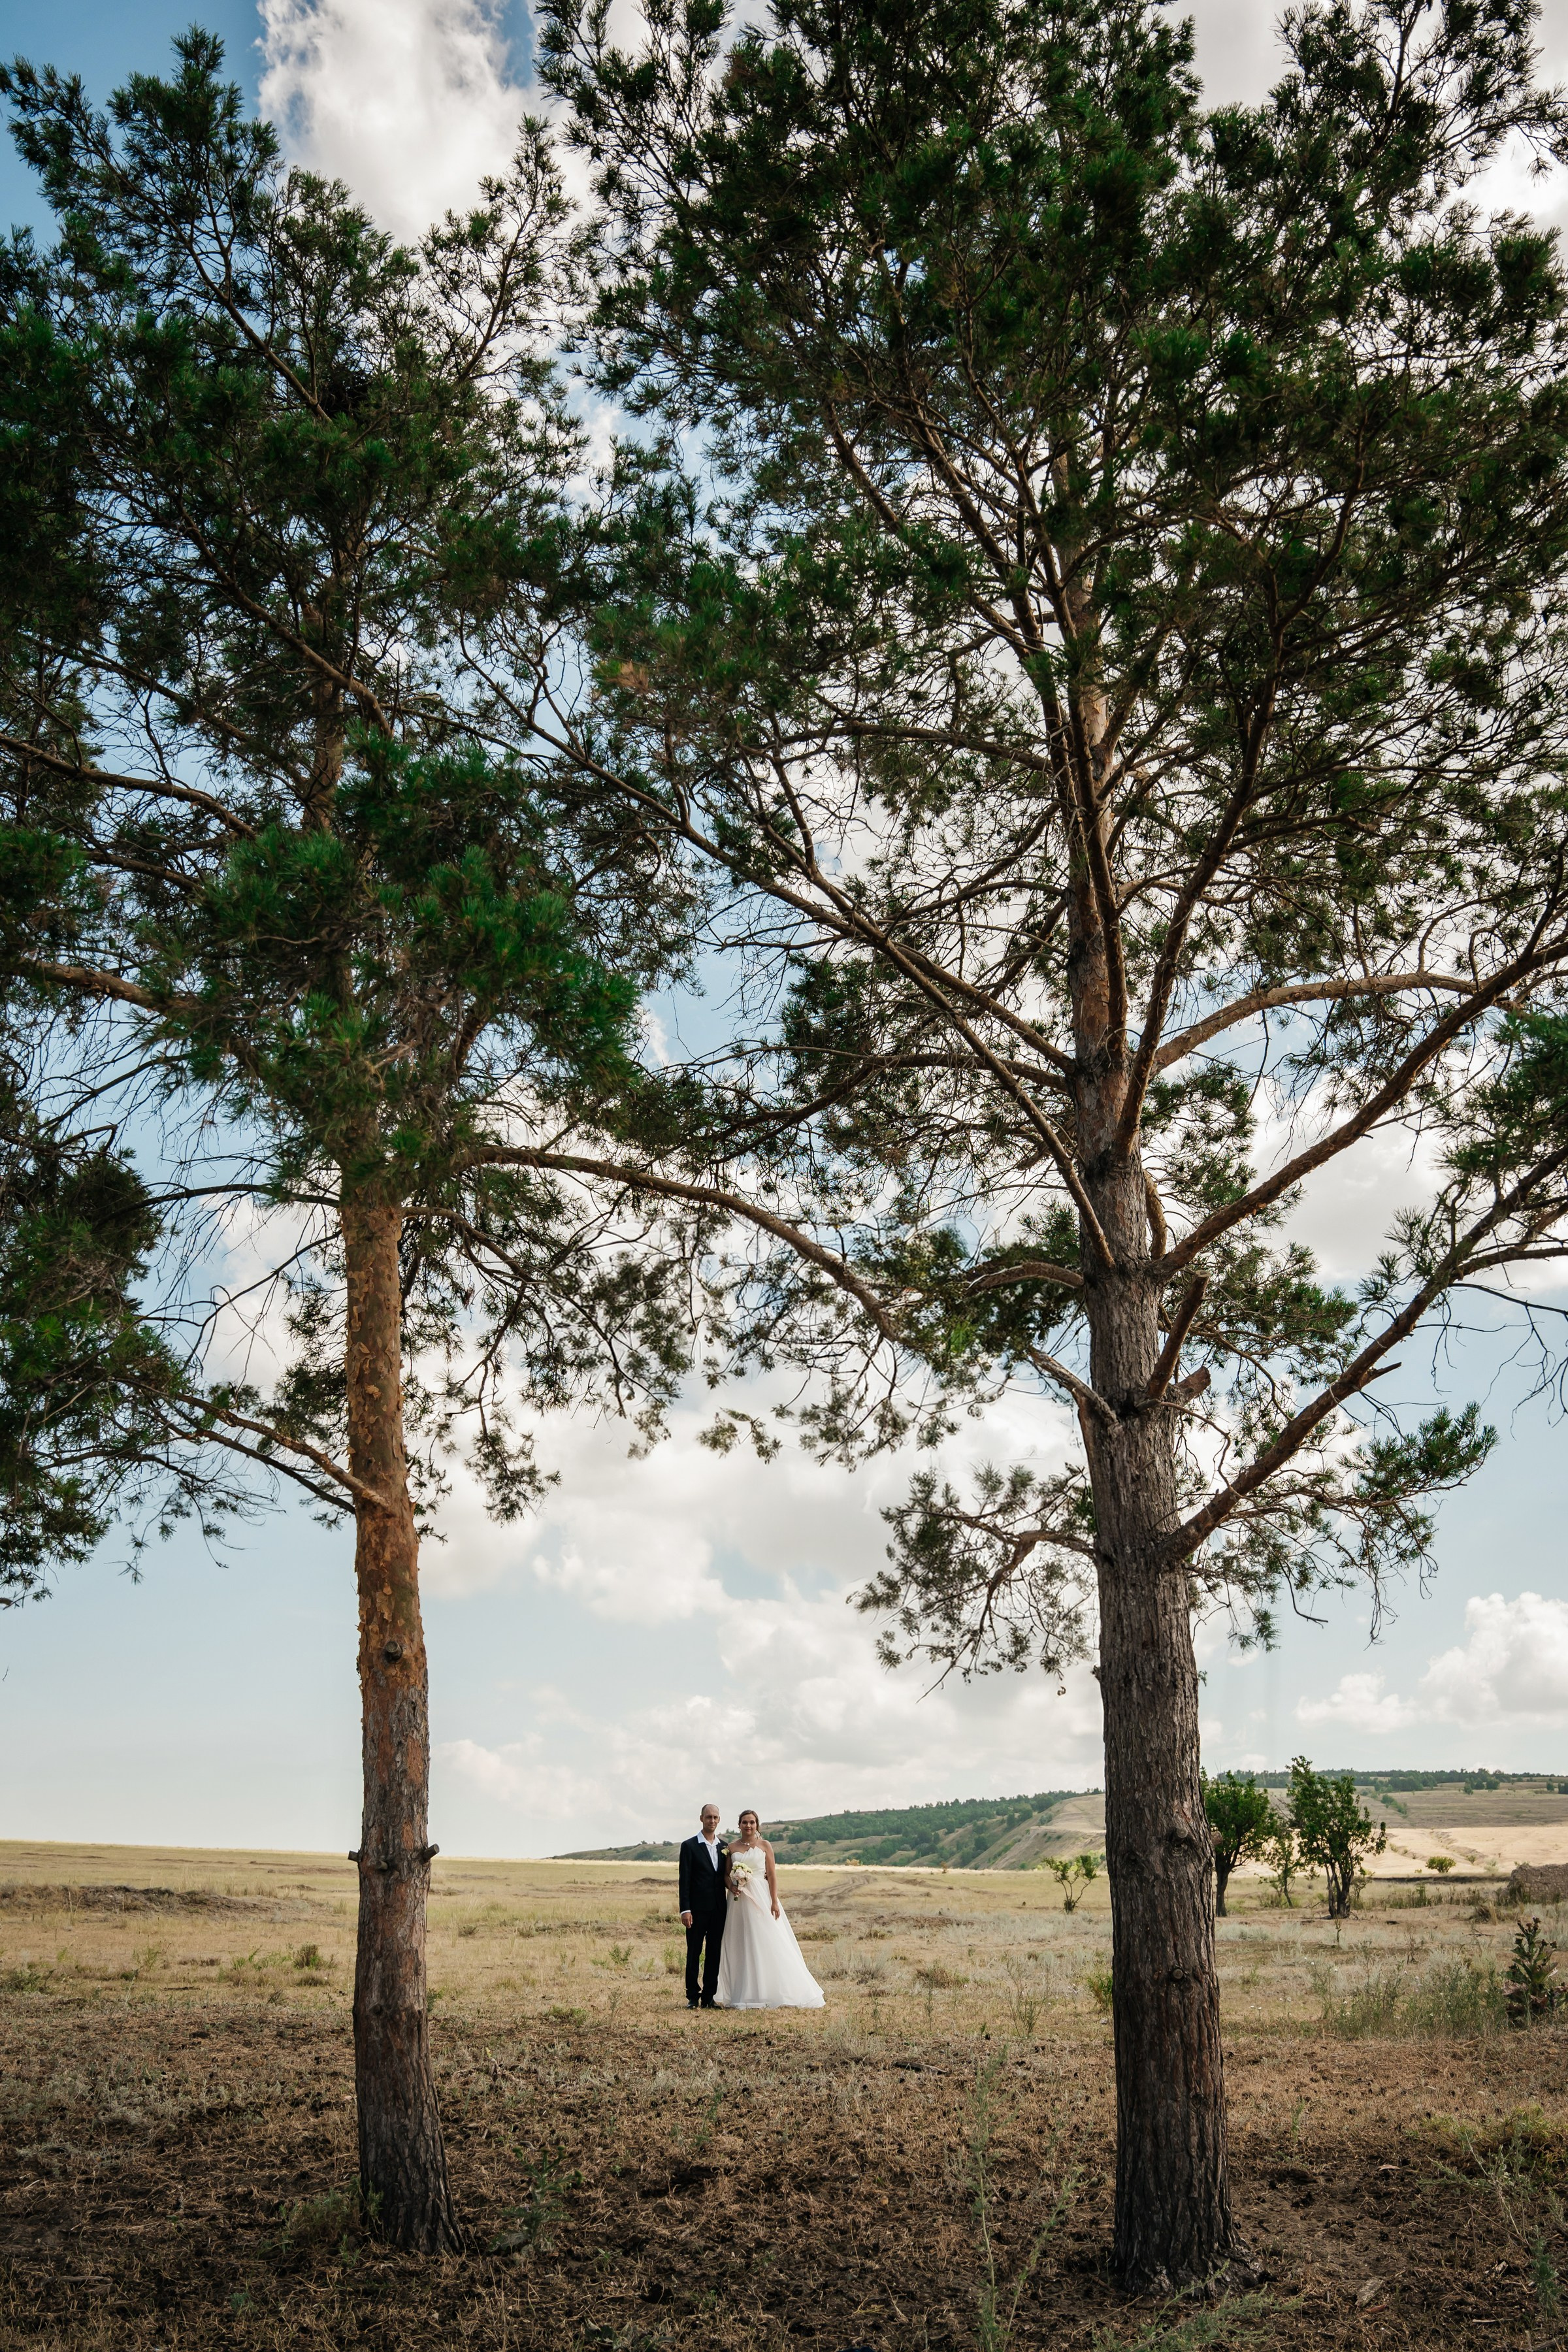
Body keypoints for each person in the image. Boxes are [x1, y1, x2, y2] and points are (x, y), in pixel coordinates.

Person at [715, 1809, 826, 2010]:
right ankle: (745, 1992)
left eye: (752, 1822)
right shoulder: (730, 1847)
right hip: (738, 1900)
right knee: (740, 1941)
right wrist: (731, 1886)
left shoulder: (765, 1846)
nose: (748, 1826)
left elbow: (773, 1875)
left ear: (757, 1825)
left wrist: (774, 1901)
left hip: (761, 1895)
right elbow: (725, 1874)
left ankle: (775, 1989)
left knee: (767, 1939)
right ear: (738, 1825)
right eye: (744, 1822)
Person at [678, 1802, 728, 2010]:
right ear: (701, 1819)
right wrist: (685, 1909)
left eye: (716, 1818)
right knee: (694, 1952)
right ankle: (692, 1996)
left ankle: (709, 1997)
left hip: (718, 1909)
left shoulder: (724, 1847)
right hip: (696, 1911)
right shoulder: (689, 1846)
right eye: (709, 1817)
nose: (712, 1821)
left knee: (714, 1953)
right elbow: (685, 1879)